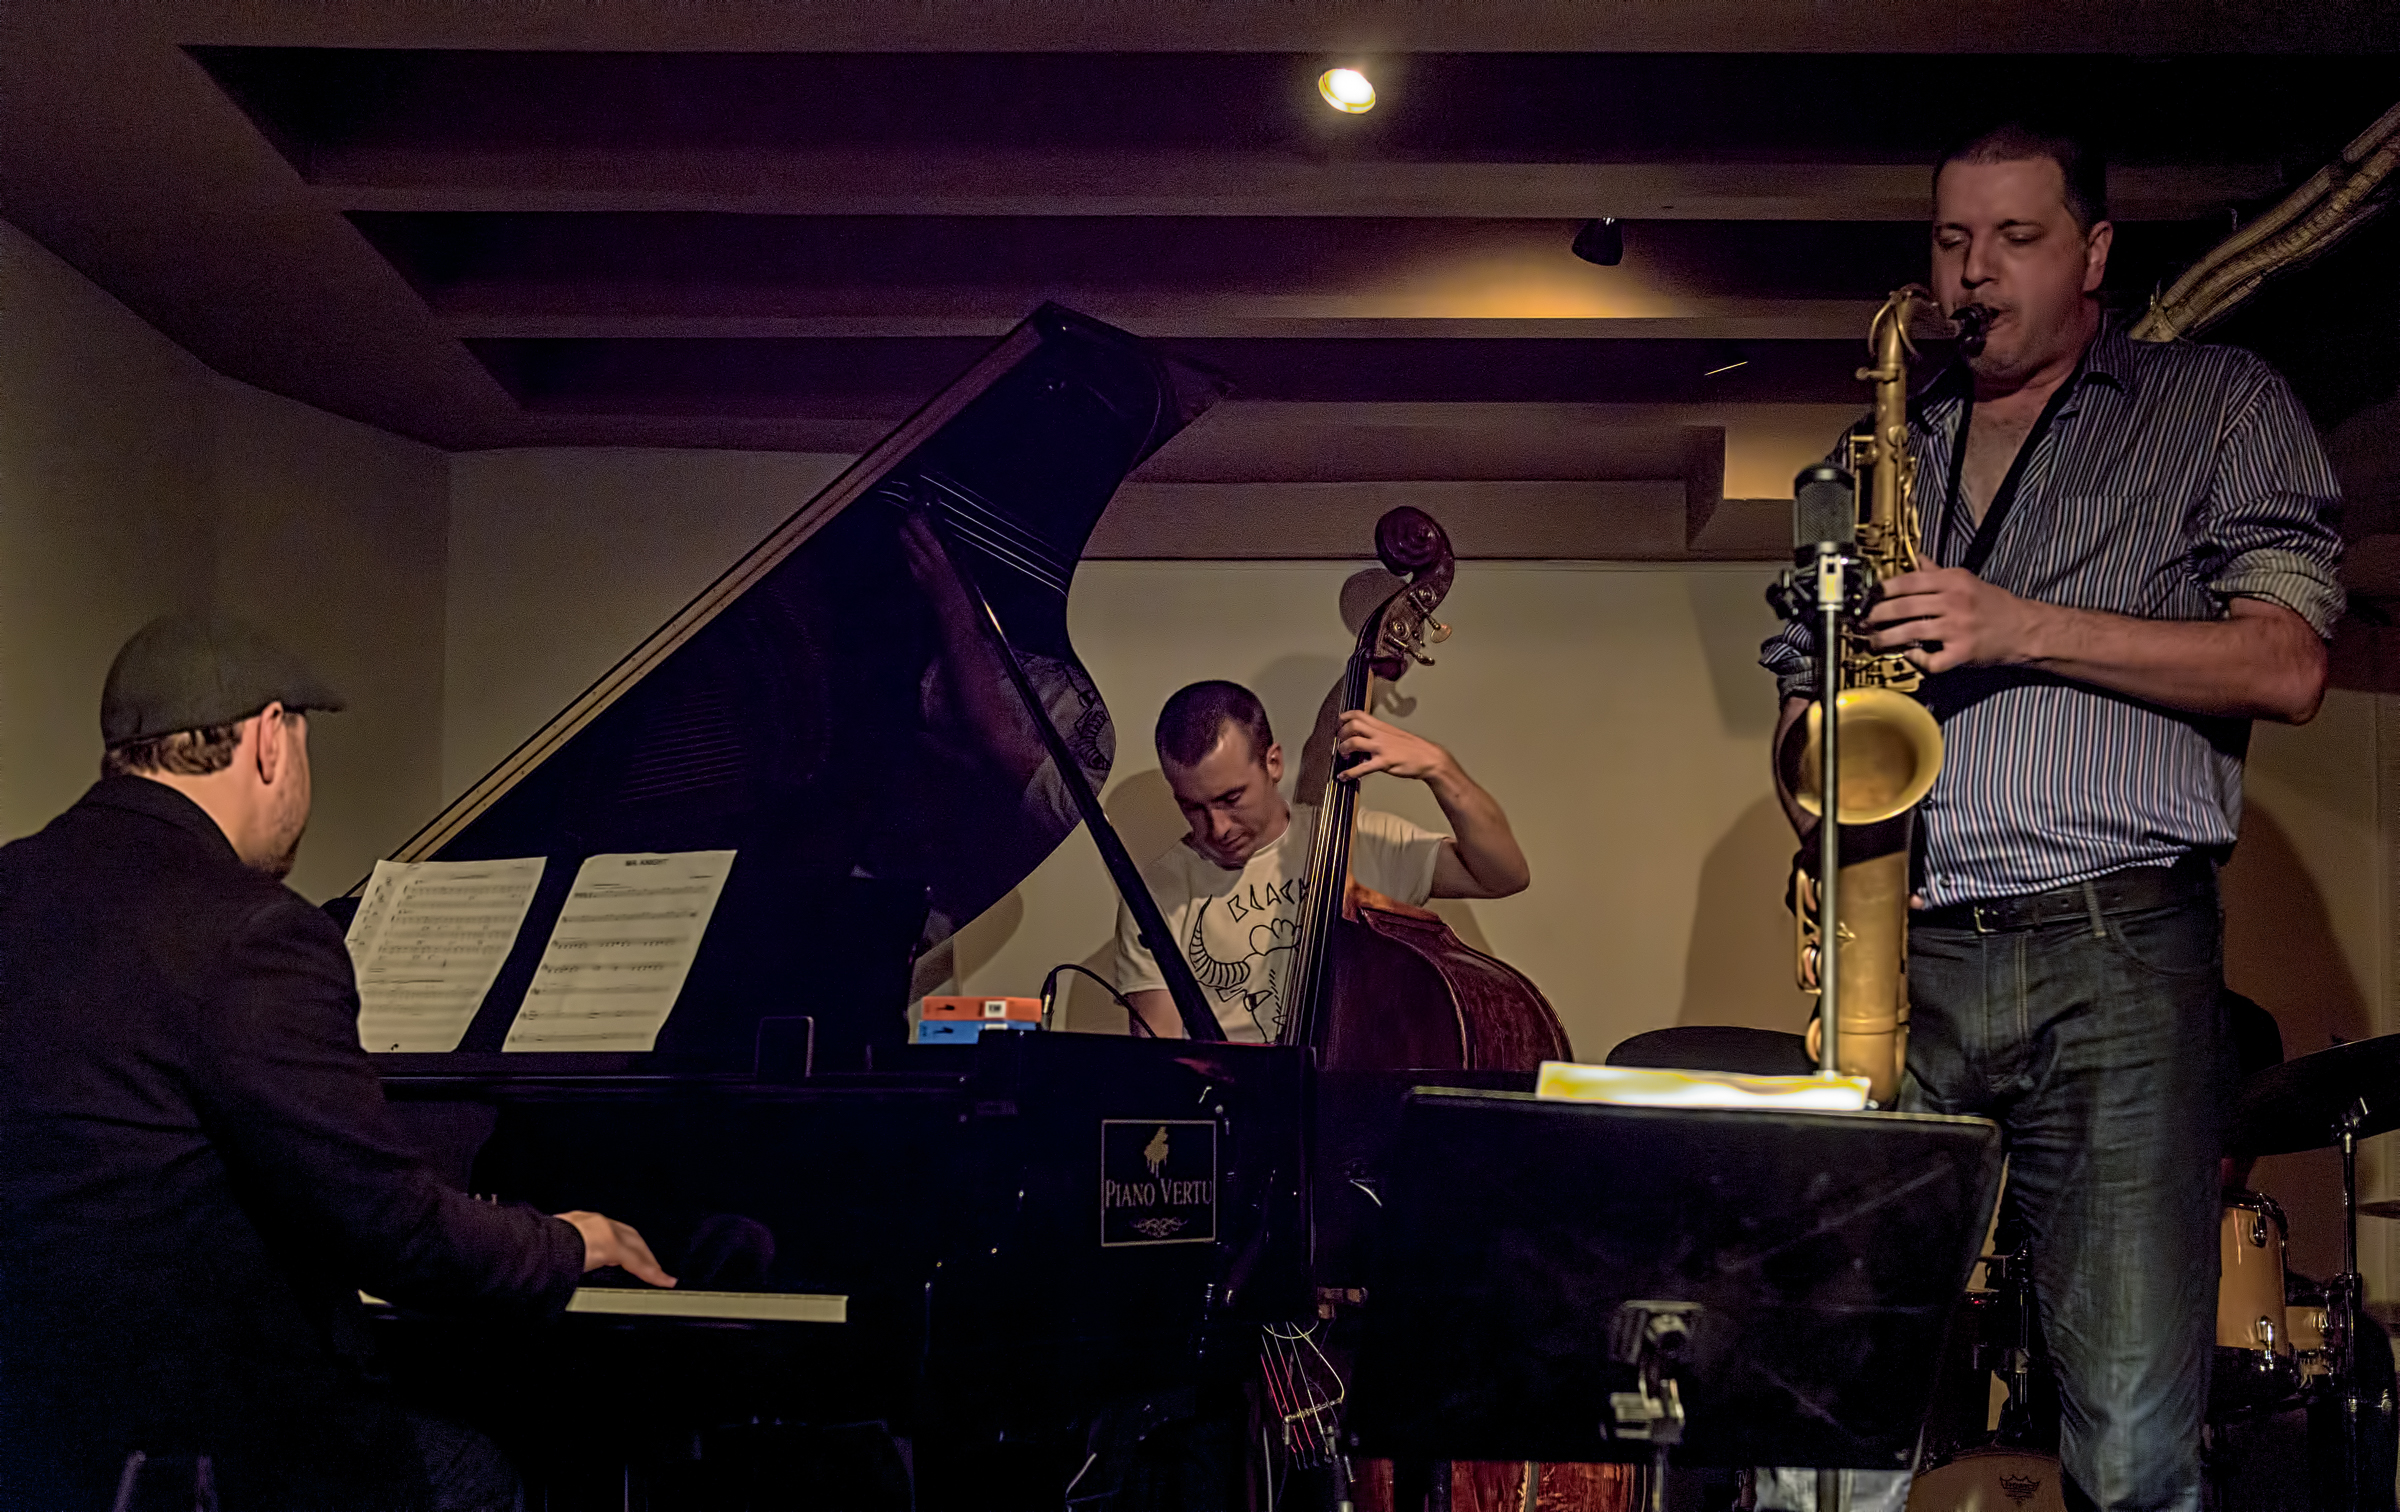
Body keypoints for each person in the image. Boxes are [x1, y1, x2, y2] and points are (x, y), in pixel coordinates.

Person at [1758, 122, 2341, 1512]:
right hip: (1903, 942)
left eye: (2016, 239)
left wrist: (2017, 628)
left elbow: (2288, 664)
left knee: (2135, 1440)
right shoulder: (1878, 446)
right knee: (1817, 1414)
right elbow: (1800, 697)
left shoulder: (2215, 401)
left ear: (2093, 252)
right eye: (1954, 241)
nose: (1976, 273)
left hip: (2121, 948)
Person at [0, 614, 675, 1512]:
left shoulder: (14, 887)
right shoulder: (252, 932)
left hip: (40, 1446)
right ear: (271, 739)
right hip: (205, 1462)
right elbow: (393, 1234)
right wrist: (563, 1240)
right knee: (485, 1475)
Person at [1111, 680, 1529, 1041]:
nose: (1217, 827)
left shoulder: (1355, 842)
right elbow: (1162, 1051)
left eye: (1231, 798)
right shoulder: (1158, 892)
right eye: (1193, 807)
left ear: (1273, 763)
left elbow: (1503, 876)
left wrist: (1441, 769)